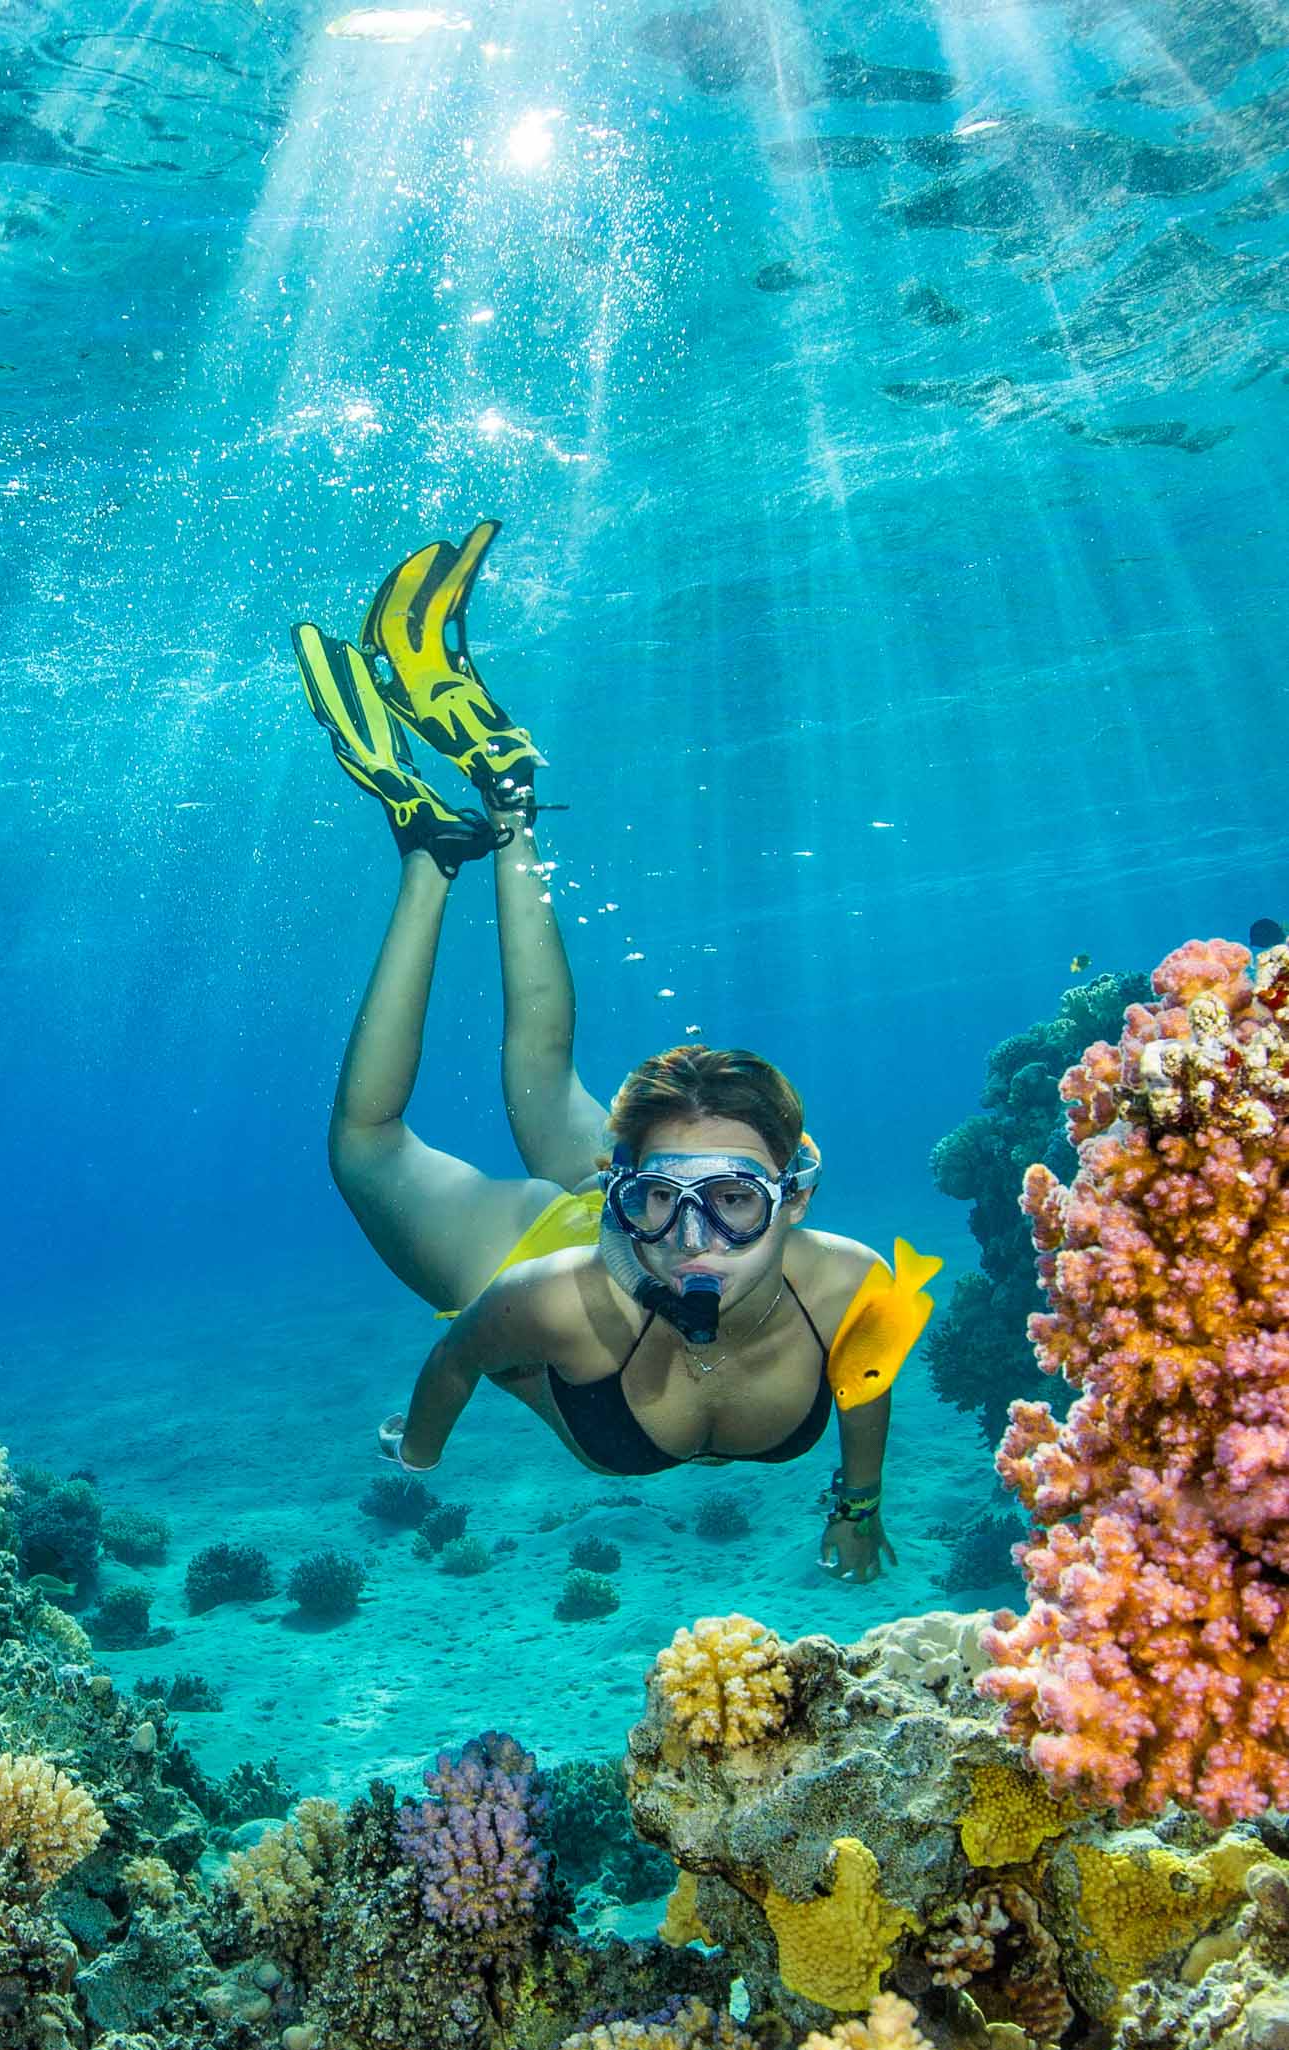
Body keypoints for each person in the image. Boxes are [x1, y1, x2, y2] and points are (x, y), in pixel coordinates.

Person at [292, 524, 939, 1586]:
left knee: (540, 1076)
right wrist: (419, 1449)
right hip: (550, 1244)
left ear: (796, 1193)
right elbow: (453, 1362)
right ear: (619, 1186)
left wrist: (857, 1506)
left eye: (732, 1201)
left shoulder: (852, 1286)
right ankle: (437, 855)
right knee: (366, 1146)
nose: (693, 1243)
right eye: (658, 1202)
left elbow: (867, 1385)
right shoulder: (544, 1298)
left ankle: (503, 814)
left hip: (609, 1232)